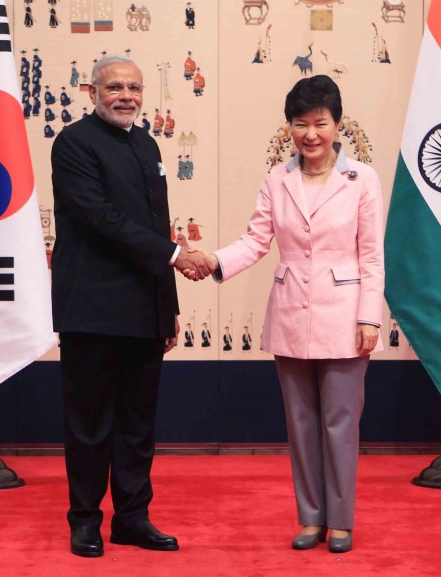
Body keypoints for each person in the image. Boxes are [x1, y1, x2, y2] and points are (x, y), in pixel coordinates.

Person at [188, 75, 383, 553]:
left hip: (345, 314)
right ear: (289, 128)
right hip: (290, 312)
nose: (311, 134)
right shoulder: (278, 180)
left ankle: (341, 520)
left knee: (340, 420)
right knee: (300, 422)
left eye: (320, 123)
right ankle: (311, 518)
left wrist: (370, 317)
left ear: (338, 125)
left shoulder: (362, 180)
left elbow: (373, 255)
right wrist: (215, 260)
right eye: (301, 124)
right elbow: (257, 241)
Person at [51, 55, 209, 559]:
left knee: (139, 425)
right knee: (90, 424)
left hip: (144, 311)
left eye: (134, 88)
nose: (126, 96)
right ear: (90, 91)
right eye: (114, 87)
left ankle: (133, 518)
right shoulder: (73, 144)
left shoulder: (148, 144)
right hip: (92, 310)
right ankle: (85, 521)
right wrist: (175, 257)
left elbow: (157, 227)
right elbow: (100, 218)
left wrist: (168, 306)